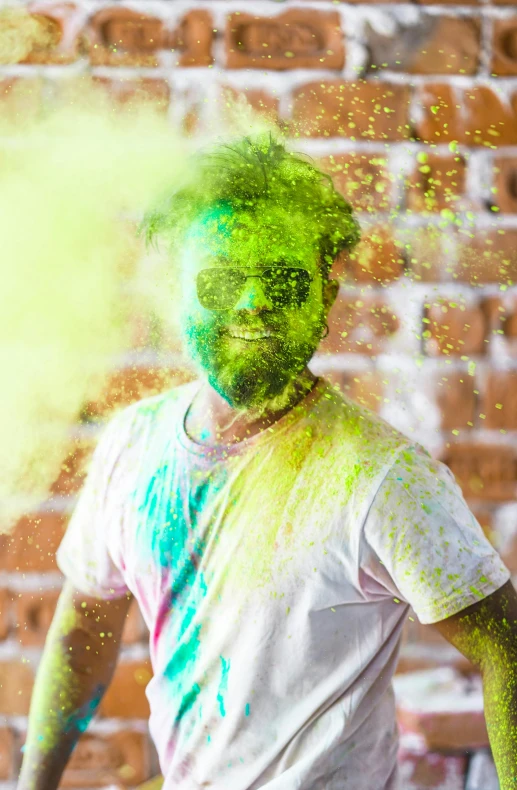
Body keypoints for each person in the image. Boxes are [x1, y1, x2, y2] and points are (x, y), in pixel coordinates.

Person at [18, 134, 517, 790]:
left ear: (324, 296)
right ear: (173, 292)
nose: (253, 302)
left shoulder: (381, 476)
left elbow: (504, 648)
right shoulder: (133, 442)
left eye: (282, 278)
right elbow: (84, 624)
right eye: (222, 278)